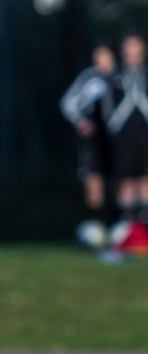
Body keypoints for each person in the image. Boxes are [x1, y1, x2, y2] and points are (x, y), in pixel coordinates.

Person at [61, 44, 116, 239]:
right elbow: (68, 102)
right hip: (93, 140)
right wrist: (80, 122)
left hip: (116, 140)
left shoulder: (120, 77)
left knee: (119, 181)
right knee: (93, 181)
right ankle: (96, 227)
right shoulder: (88, 78)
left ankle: (118, 226)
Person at [103, 33, 148, 231]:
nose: (132, 51)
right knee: (126, 181)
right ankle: (126, 228)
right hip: (124, 138)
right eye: (129, 46)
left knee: (145, 181)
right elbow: (108, 108)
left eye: (136, 46)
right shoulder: (115, 76)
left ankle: (143, 226)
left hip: (145, 135)